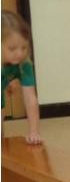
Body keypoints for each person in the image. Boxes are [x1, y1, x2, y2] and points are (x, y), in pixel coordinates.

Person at [2, 10, 42, 144]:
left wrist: (34, 132)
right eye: (12, 49)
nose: (19, 53)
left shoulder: (24, 64)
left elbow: (30, 98)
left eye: (23, 47)